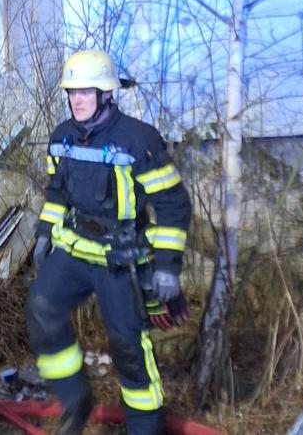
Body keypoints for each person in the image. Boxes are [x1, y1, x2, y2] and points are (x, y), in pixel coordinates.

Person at [27, 50, 192, 435]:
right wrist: (44, 232)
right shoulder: (61, 137)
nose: (76, 100)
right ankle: (74, 399)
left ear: (106, 94)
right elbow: (56, 193)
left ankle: (145, 428)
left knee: (129, 350)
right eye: (71, 92)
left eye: (85, 91)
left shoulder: (138, 140)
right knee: (41, 308)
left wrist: (167, 267)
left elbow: (173, 204)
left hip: (121, 260)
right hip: (74, 250)